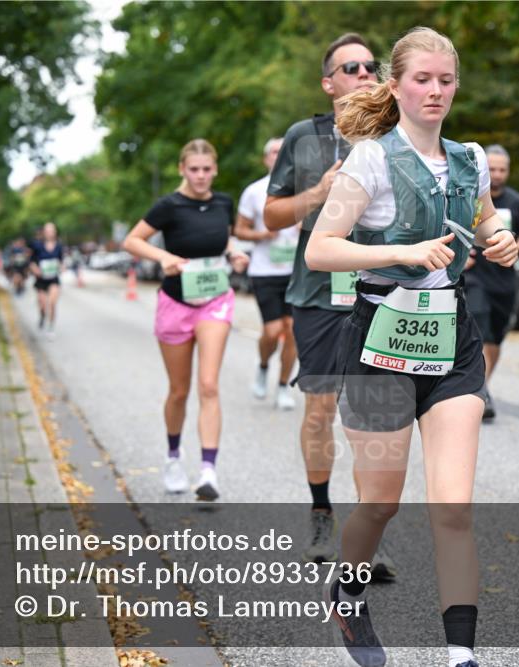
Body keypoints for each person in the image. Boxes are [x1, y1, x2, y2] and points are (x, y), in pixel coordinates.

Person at [305, 27, 519, 667]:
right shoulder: (369, 159)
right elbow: (322, 248)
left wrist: (500, 239)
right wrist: (400, 250)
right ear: (394, 85)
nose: (435, 91)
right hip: (379, 343)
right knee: (381, 503)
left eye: (445, 80)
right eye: (422, 79)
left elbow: (484, 219)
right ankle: (348, 594)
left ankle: (462, 656)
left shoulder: (471, 157)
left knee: (452, 508)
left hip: (451, 343)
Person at [265, 32, 401, 572]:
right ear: (328, 83)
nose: (365, 74)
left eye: (372, 66)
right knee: (321, 408)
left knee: (376, 415)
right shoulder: (304, 137)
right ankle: (321, 515)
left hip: (384, 290)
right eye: (351, 68)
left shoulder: (399, 135)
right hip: (320, 295)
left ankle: (370, 532)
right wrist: (318, 194)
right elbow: (273, 216)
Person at [123, 139, 249, 502]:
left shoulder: (223, 203)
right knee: (179, 391)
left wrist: (234, 252)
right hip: (176, 302)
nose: (200, 176)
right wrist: (163, 257)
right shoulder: (169, 205)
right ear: (182, 169)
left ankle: (208, 470)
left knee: (209, 385)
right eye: (193, 169)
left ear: (215, 170)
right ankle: (173, 456)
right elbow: (132, 241)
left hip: (214, 299)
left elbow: (222, 239)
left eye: (207, 169)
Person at [463, 145, 519, 421]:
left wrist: (512, 246)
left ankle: (483, 385)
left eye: (501, 169)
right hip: (474, 278)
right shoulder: (471, 199)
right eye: (491, 169)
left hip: (504, 282)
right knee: (480, 330)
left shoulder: (517, 203)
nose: (496, 174)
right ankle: (478, 391)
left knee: (495, 338)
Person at [233, 137, 299, 410]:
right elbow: (239, 230)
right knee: (272, 332)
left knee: (293, 332)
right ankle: (263, 366)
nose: (279, 155)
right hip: (264, 271)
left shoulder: (305, 190)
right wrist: (262, 234)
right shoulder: (254, 191)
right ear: (266, 159)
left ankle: (283, 387)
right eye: (274, 151)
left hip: (297, 271)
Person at [29, 222, 64, 339]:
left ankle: (51, 327)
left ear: (55, 232)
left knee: (52, 303)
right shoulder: (37, 245)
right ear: (44, 232)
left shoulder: (59, 246)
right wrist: (36, 270)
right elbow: (31, 262)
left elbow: (61, 261)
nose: (50, 233)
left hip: (53, 278)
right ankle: (43, 316)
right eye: (48, 230)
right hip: (41, 280)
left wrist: (62, 267)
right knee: (43, 305)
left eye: (52, 230)